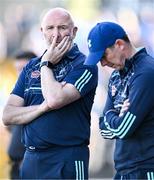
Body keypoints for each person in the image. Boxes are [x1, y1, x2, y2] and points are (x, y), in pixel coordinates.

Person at [2, 7, 98, 179]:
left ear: (74, 31)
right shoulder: (31, 66)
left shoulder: (85, 65)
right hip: (31, 159)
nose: (56, 34)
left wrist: (46, 64)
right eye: (50, 28)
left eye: (62, 27)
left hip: (67, 158)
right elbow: (8, 115)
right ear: (42, 32)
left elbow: (54, 100)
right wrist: (41, 108)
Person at [84, 21, 154, 179]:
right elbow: (104, 129)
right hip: (123, 170)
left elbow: (123, 129)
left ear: (120, 44)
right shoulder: (116, 76)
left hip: (146, 169)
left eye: (103, 55)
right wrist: (114, 116)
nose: (102, 63)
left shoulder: (146, 72)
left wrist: (110, 115)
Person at [7, 51, 37, 179]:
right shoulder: (17, 95)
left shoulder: (39, 96)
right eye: (17, 69)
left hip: (31, 167)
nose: (20, 74)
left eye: (23, 69)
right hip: (15, 167)